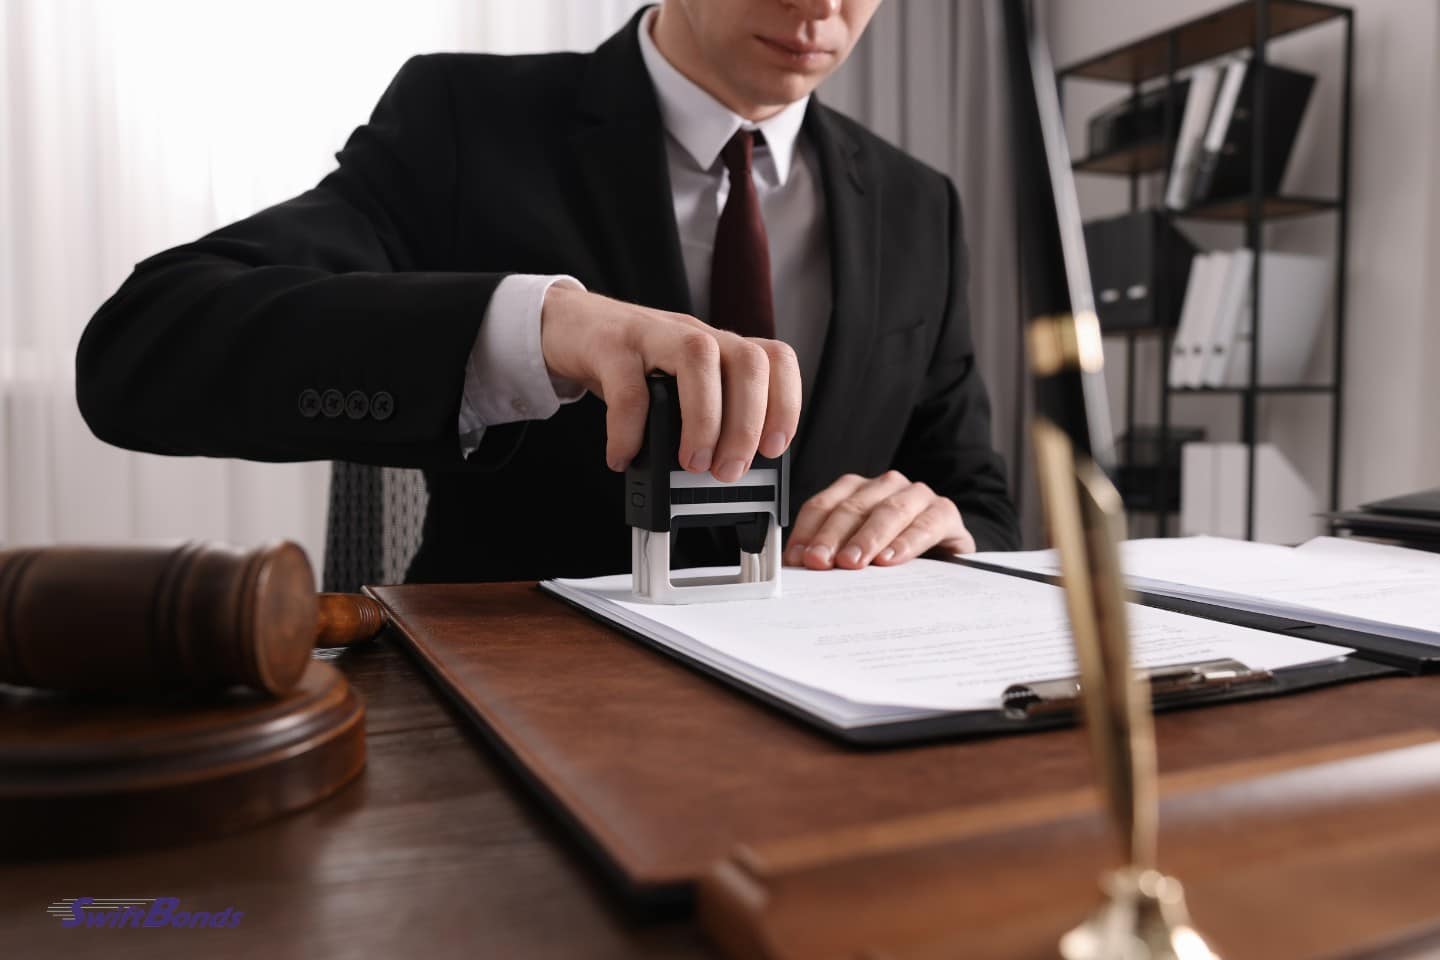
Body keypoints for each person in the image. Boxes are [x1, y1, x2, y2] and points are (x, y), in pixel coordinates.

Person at [76, 0, 1019, 583]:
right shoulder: (464, 122)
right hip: (522, 736)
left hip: (839, 742)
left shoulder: (918, 201)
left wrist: (938, 527)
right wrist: (534, 326)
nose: (821, 3)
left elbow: (974, 488)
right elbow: (141, 351)